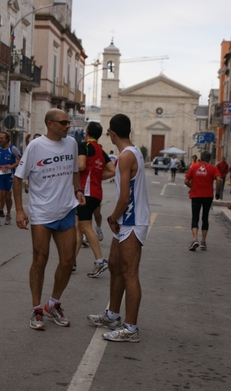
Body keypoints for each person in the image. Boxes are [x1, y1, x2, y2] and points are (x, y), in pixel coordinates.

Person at [13, 108, 85, 331]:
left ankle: (53, 303)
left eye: (68, 123)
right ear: (50, 124)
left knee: (67, 261)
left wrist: (79, 189)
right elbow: (18, 178)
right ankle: (36, 308)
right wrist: (19, 210)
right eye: (63, 122)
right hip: (42, 213)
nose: (67, 126)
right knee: (40, 259)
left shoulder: (71, 143)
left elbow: (74, 170)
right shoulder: (35, 146)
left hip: (66, 210)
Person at [87, 113, 150, 343]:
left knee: (129, 273)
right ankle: (112, 315)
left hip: (132, 220)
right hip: (126, 220)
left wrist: (112, 218)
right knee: (114, 265)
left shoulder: (125, 157)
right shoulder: (132, 152)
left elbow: (124, 198)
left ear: (112, 133)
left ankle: (131, 329)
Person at [75, 121, 115, 277]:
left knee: (85, 226)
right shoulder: (101, 150)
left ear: (87, 131)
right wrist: (98, 176)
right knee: (78, 225)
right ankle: (71, 260)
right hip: (96, 193)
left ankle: (100, 260)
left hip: (84, 192)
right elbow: (112, 170)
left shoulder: (84, 146)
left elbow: (81, 166)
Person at [185, 150, 222, 251]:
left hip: (196, 195)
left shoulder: (194, 167)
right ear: (209, 159)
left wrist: (192, 187)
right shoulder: (213, 169)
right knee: (205, 218)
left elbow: (186, 181)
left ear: (200, 159)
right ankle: (203, 242)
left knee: (195, 218)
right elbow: (219, 179)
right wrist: (218, 193)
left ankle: (194, 239)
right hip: (208, 196)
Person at [0, 132, 21, 226]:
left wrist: (12, 166)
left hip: (9, 175)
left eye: (1, 138)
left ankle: (8, 214)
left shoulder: (13, 148)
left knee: (8, 196)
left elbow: (20, 160)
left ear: (7, 139)